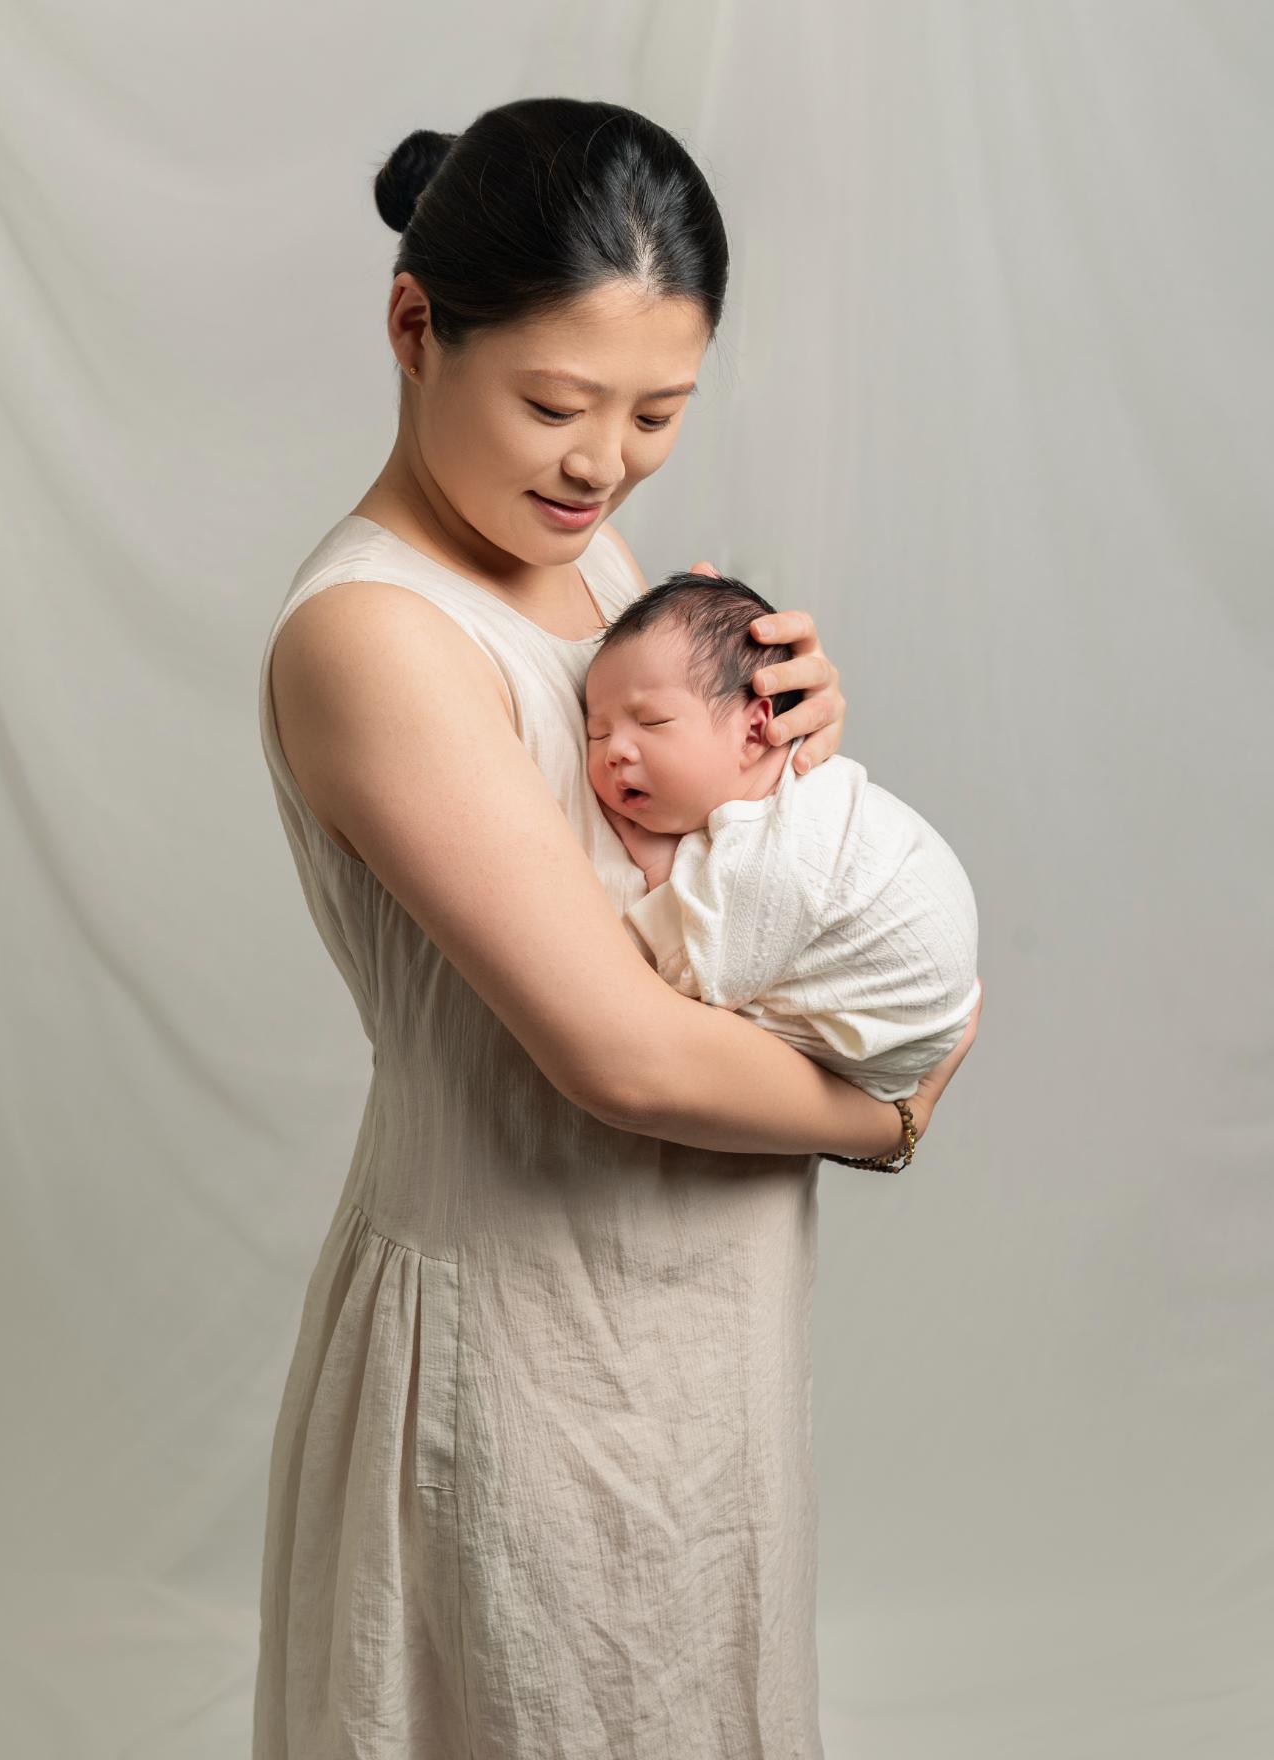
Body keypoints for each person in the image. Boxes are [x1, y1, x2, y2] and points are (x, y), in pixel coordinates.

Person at [252, 96, 983, 1760]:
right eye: (554, 404)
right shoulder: (375, 637)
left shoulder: (584, 563)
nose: (602, 465)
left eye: (658, 411)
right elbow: (617, 1051)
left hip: (690, 1328)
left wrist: (774, 773)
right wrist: (889, 1107)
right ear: (414, 329)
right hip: (516, 1354)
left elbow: (666, 884)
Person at [583, 569, 981, 1104]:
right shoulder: (769, 800)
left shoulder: (786, 843)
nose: (615, 751)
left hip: (887, 1039)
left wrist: (660, 871)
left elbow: (693, 979)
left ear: (754, 731)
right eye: (597, 731)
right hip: (923, 1009)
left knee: (713, 1017)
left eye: (651, 722)